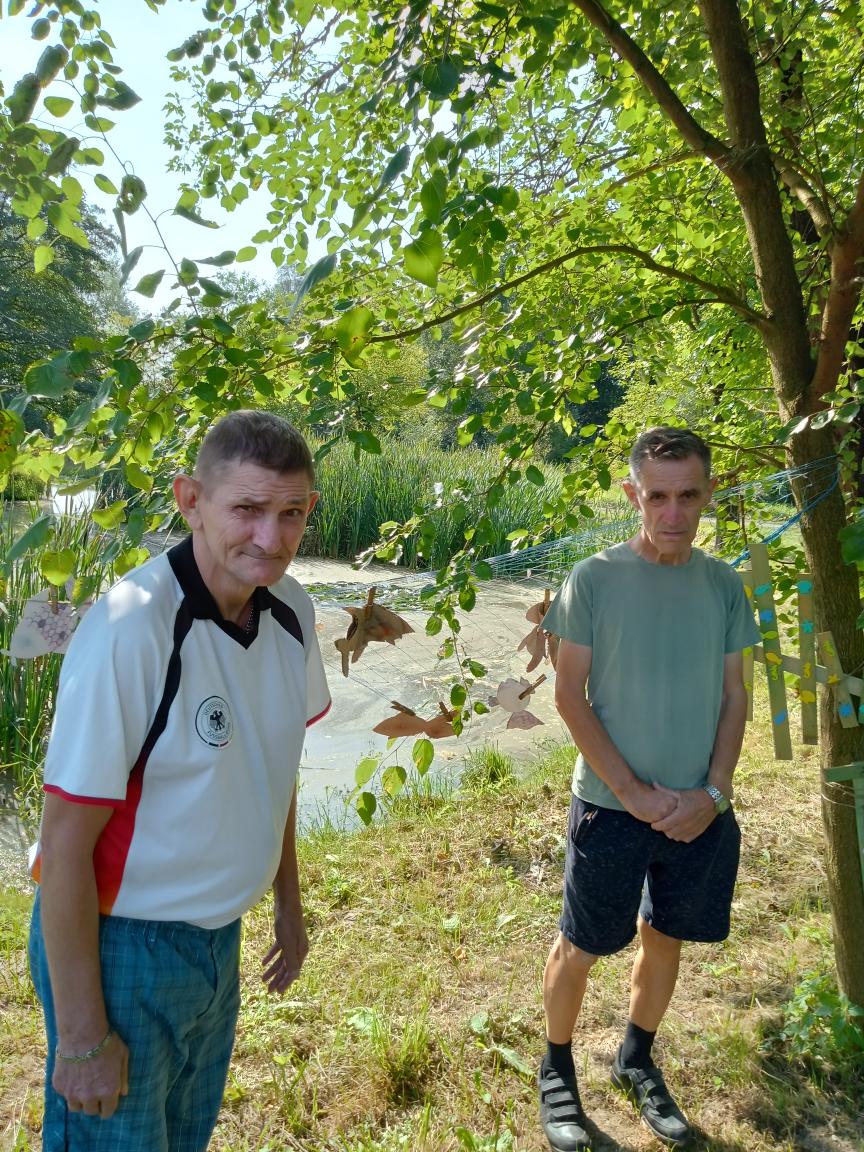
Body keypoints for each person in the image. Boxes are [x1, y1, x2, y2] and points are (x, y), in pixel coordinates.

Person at [28, 409, 331, 1151]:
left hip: (216, 942)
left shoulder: (292, 611)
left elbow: (273, 769)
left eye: (291, 513)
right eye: (247, 509)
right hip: (122, 947)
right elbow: (62, 850)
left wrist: (287, 901)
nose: (271, 538)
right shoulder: (132, 627)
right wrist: (82, 1038)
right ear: (190, 500)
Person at [537, 427, 759, 1150]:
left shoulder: (724, 586)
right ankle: (557, 1069)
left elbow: (735, 695)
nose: (673, 513)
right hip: (611, 808)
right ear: (633, 494)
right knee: (582, 945)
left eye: (688, 496)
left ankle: (636, 1059)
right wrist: (632, 792)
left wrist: (714, 794)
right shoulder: (594, 579)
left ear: (708, 494)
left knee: (664, 939)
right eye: (657, 496)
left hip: (697, 811)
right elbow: (569, 696)